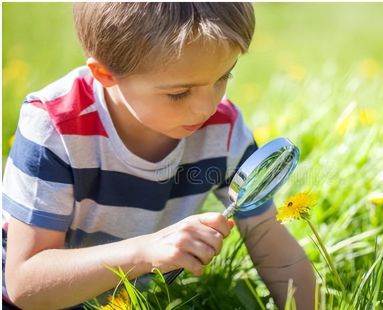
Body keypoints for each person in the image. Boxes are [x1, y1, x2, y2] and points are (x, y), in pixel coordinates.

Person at [2, 3, 315, 309]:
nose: (205, 108)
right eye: (178, 94)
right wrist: (144, 252)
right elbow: (25, 285)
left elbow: (272, 244)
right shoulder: (57, 128)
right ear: (105, 73)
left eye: (223, 77)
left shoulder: (223, 128)